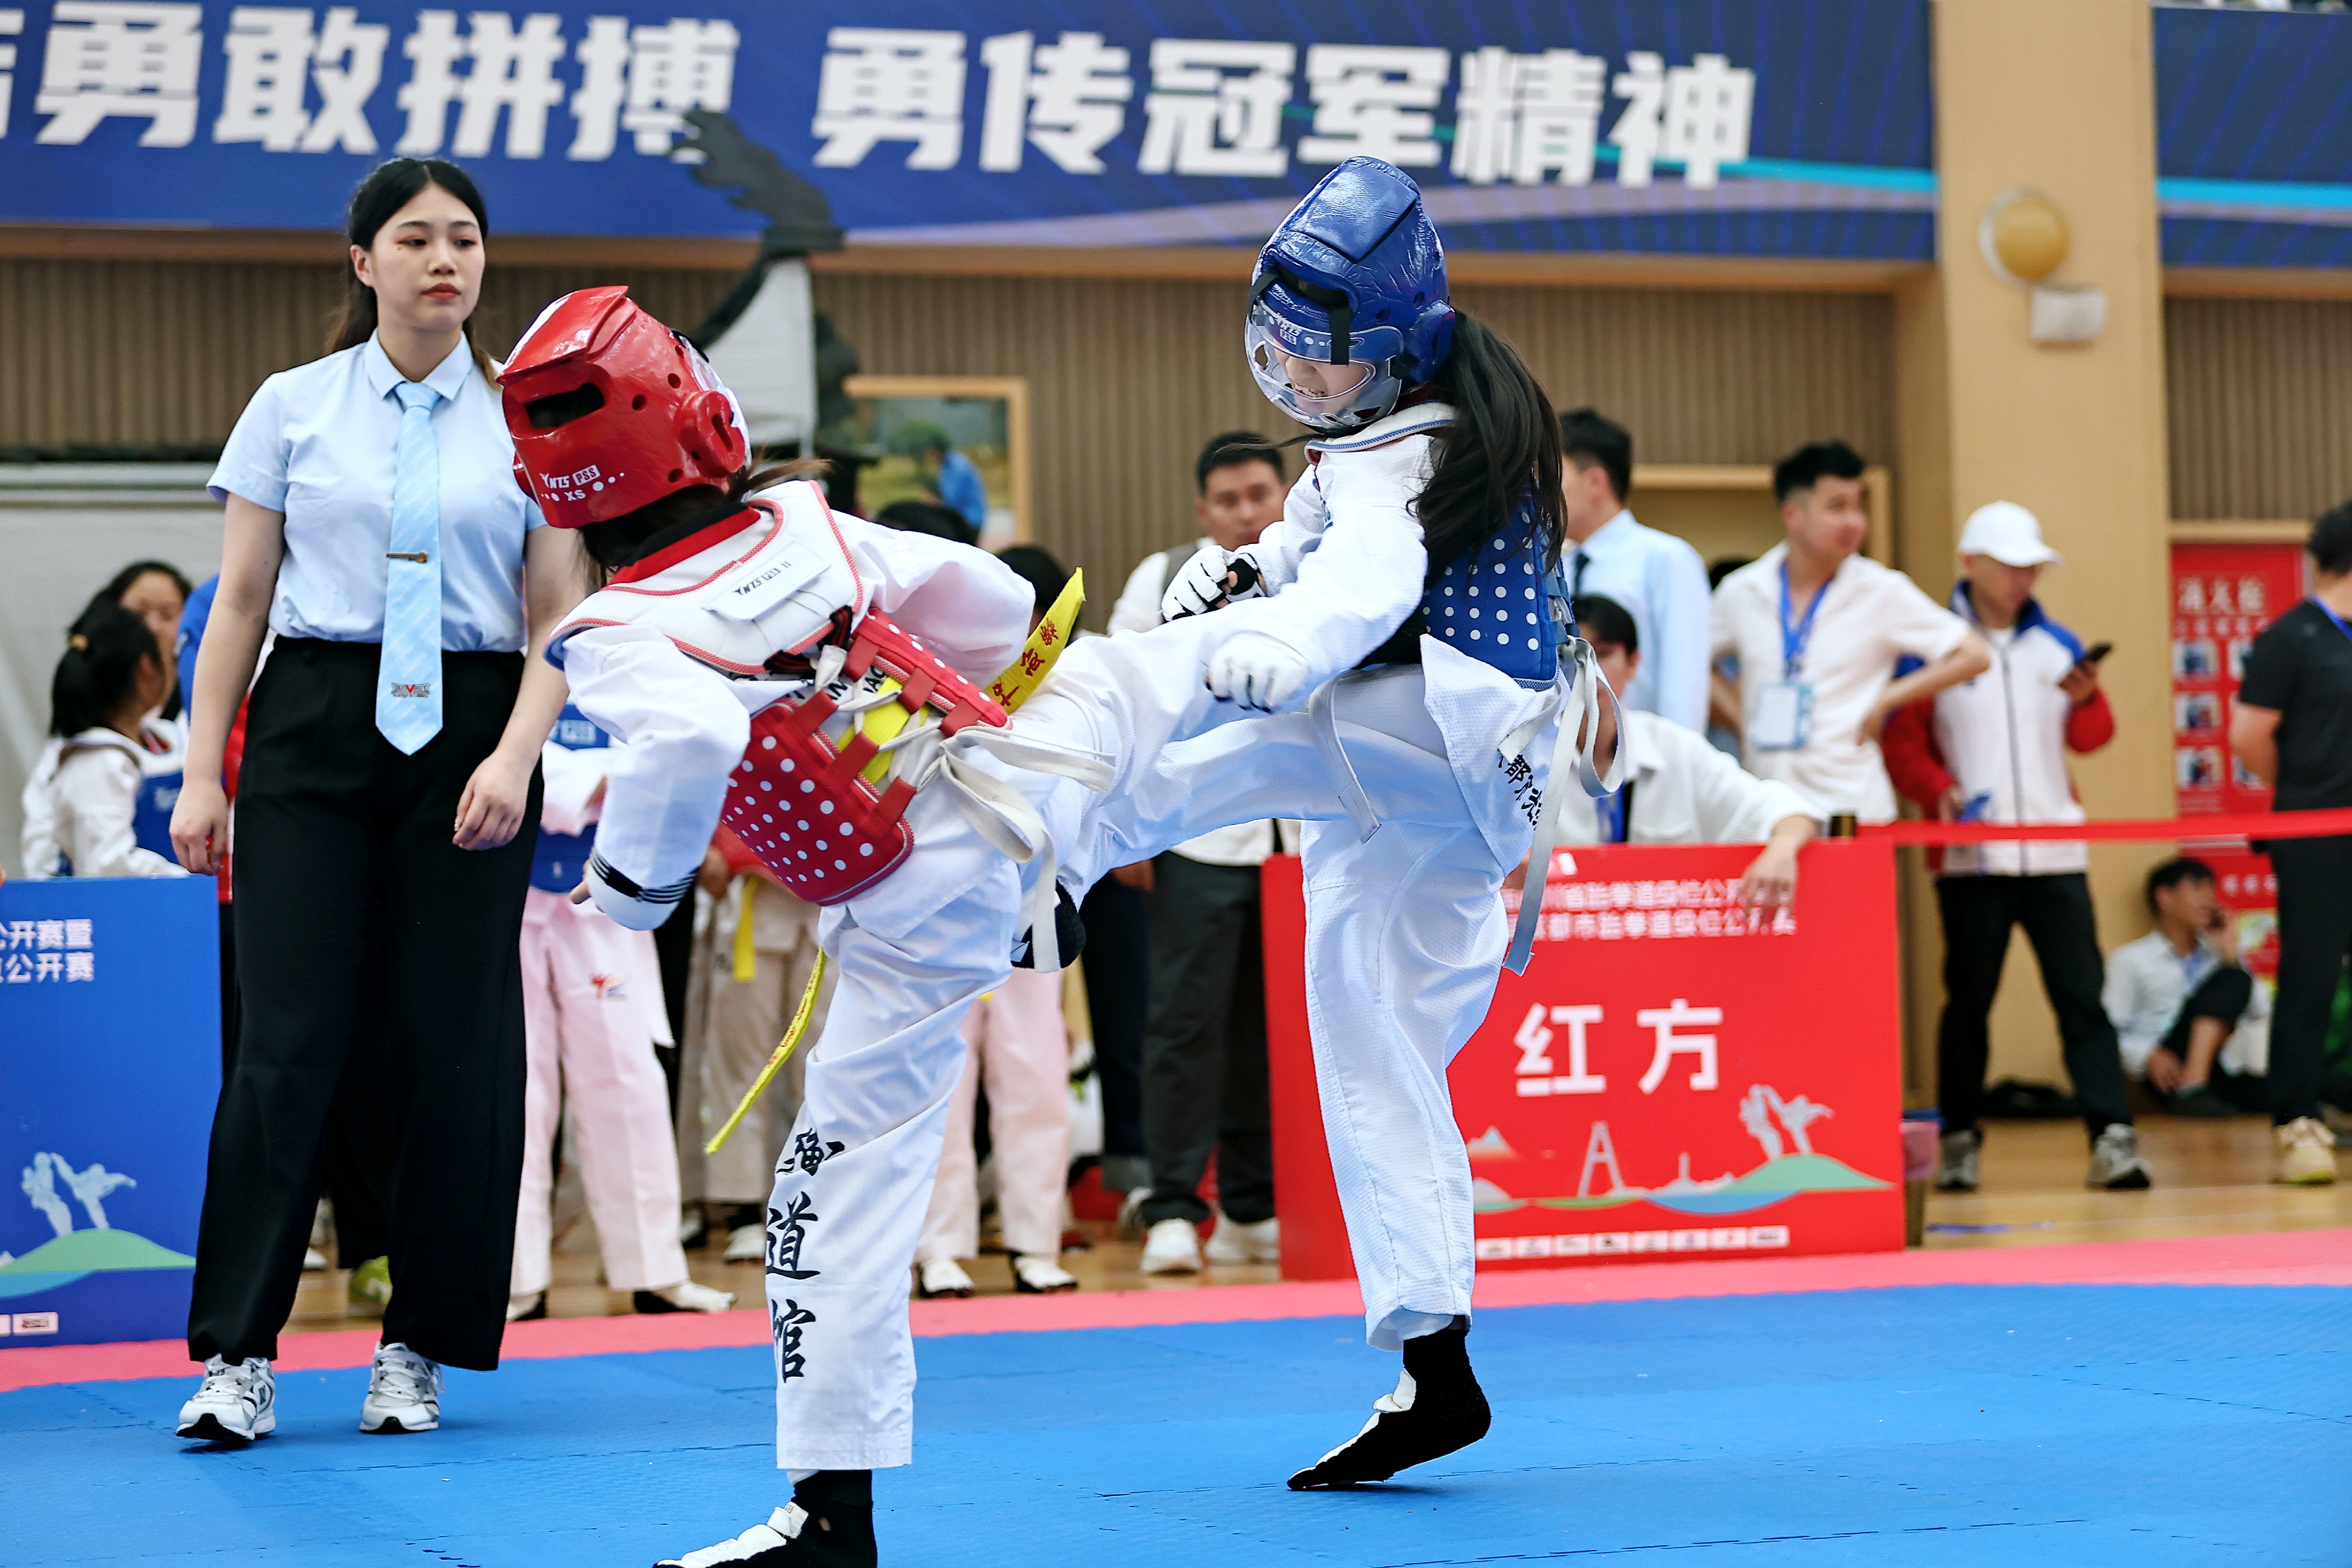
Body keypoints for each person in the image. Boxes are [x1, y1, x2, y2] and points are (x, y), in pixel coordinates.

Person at [514, 155, 1608, 1559]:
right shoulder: (807, 522)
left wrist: (630, 898)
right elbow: (988, 604)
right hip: (1462, 793)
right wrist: (1256, 596)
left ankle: (830, 1492)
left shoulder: (612, 630)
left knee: (1121, 711)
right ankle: (1433, 1353)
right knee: (1371, 1040)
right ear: (709, 417)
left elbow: (1361, 583)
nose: (1299, 378)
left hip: (1141, 805)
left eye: (1321, 354)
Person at [167, 158, 589, 1446]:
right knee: (285, 1044)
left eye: (464, 239)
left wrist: (516, 757)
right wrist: (202, 770)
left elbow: (559, 613)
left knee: (456, 1046)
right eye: (414, 239)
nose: (443, 260)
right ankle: (237, 1353)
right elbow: (240, 601)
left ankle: (420, 1344)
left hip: (471, 730)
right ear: (363, 263)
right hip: (311, 727)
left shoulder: (534, 417)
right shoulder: (292, 407)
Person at [1878, 502, 2147, 1192]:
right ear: (1972, 564)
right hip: (1972, 861)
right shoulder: (1933, 644)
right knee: (1968, 1004)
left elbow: (2091, 737)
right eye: (2011, 566)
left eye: (2032, 567)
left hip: (2058, 855)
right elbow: (1902, 743)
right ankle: (1960, 1138)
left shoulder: (2058, 643)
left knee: (2081, 999)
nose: (2024, 579)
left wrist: (2088, 700)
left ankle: (2112, 1137)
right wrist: (1936, 787)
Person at [1111, 433, 1291, 1276]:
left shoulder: (1323, 575)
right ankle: (1176, 1204)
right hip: (1197, 833)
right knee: (1185, 1021)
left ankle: (1255, 1206)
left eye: (1260, 493)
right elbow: (1124, 703)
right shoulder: (1160, 577)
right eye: (1229, 500)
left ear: (1288, 492)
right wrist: (1126, 827)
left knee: (1273, 1028)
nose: (1247, 512)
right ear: (1203, 511)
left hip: (1299, 837)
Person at [506, 703, 735, 1323]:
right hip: (505, 888)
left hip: (604, 887)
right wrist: (595, 782)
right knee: (512, 1088)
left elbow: (670, 757)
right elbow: (490, 752)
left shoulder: (629, 653)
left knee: (629, 1079)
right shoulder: (501, 647)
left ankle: (655, 1270)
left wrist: (610, 781)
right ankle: (512, 1277)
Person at [1709, 441, 1991, 823]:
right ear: (1793, 515)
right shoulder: (1742, 591)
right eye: (1837, 507)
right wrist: (1743, 719)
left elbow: (1975, 655)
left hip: (1853, 807)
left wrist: (1889, 697)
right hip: (1767, 806)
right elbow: (1693, 661)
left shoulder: (1882, 590)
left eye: (1858, 506)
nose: (1855, 521)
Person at [2230, 503, 2352, 1186]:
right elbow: (2249, 738)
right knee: (2311, 972)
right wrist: (2310, 790)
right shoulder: (2292, 636)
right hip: (2314, 835)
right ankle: (2296, 1119)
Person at [1556, 596, 1815, 895]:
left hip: (1659, 927)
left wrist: (1783, 848)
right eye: (1573, 657)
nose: (1590, 672)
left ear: (1633, 663)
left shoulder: (1674, 747)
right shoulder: (1527, 755)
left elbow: (1787, 810)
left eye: (1603, 654)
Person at [1556, 409, 1712, 732]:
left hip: (1643, 754)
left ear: (1595, 482)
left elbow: (1684, 676)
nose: (1541, 493)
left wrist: (1674, 764)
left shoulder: (1665, 557)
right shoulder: (1557, 566)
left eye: (1554, 477)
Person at [20, 601, 188, 879]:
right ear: (145, 668)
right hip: (124, 914)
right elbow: (107, 865)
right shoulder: (98, 762)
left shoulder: (167, 737)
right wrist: (191, 883)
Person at [2103, 858, 2270, 1116]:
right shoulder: (2131, 959)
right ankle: (2192, 1087)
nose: (2209, 899)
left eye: (2211, 891)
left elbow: (2260, 1010)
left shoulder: (2220, 959)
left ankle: (2197, 1088)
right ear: (2164, 897)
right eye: (2197, 889)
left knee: (2302, 1091)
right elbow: (2106, 1030)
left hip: (2218, 1070)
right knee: (2232, 979)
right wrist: (2147, 1055)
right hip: (2164, 1070)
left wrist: (2230, 952)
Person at [92, 560, 193, 720]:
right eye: (139, 613)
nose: (153, 627)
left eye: (167, 615)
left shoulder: (197, 696)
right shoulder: (91, 689)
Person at [899, 423, 988, 539]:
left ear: (938, 451)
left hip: (968, 520)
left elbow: (951, 498)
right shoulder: (945, 466)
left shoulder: (957, 467)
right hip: (959, 518)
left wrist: (932, 504)